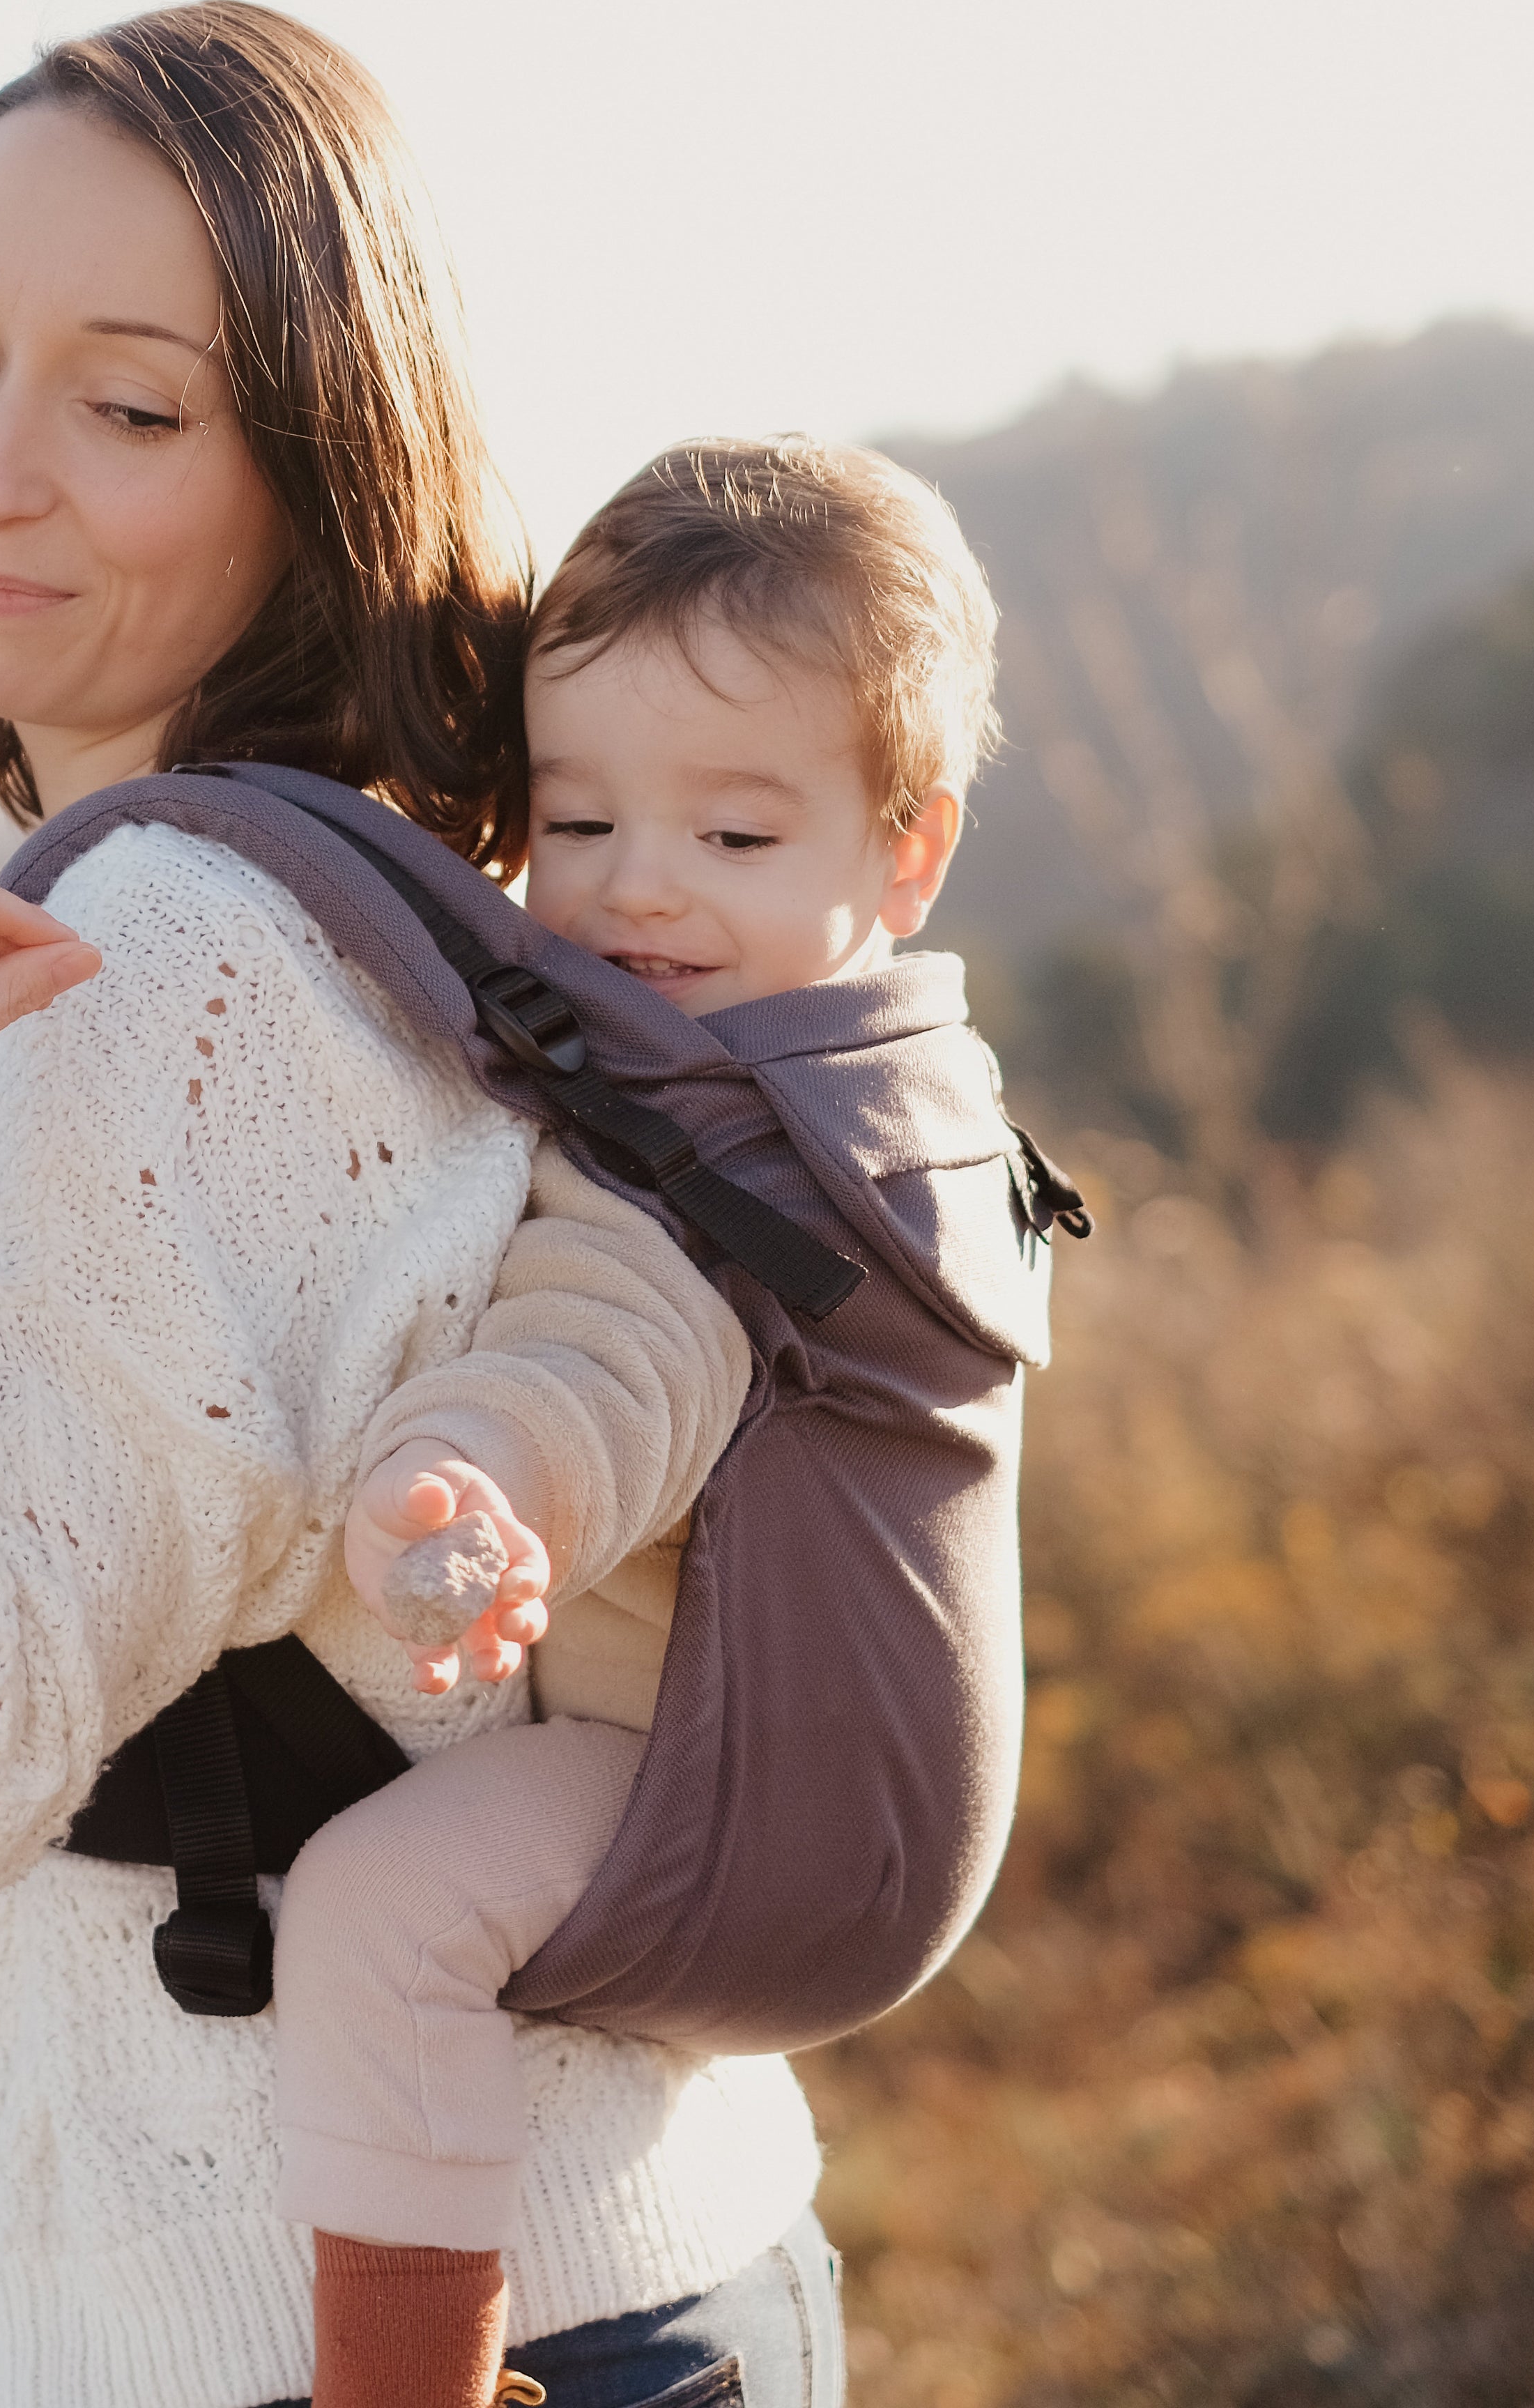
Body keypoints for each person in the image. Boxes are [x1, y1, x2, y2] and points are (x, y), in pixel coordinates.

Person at [0, 6, 842, 2408]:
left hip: (357, 2342)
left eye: (132, 405)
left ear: (315, 471)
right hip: (603, 2279)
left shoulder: (171, 965)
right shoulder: (377, 896)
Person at [283, 434, 1000, 2403]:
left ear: (906, 852)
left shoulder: (733, 1137)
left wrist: (480, 1476)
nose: (635, 895)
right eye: (575, 821)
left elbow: (628, 1344)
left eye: (737, 841)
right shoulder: (911, 1086)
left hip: (718, 1784)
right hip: (845, 1810)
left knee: (378, 1913)